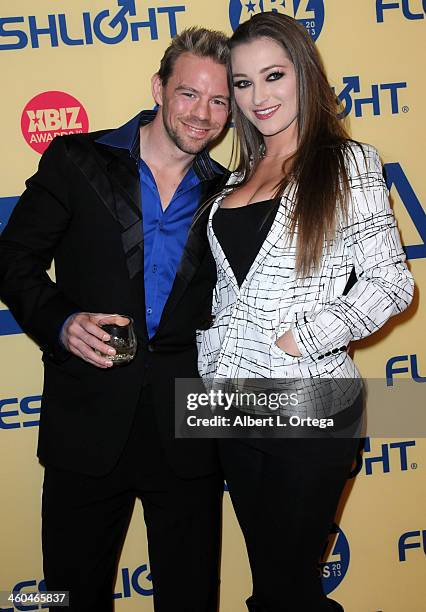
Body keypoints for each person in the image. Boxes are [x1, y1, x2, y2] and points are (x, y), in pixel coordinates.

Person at [0, 28, 231, 612]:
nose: (202, 114)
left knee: (191, 597)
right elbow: (13, 259)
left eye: (219, 100)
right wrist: (61, 320)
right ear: (158, 88)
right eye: (188, 94)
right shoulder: (78, 161)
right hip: (86, 423)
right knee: (67, 596)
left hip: (187, 428)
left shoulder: (228, 195)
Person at [197, 12, 414, 612]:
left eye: (273, 76)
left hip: (313, 397)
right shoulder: (230, 181)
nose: (258, 97)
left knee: (289, 586)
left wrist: (307, 336)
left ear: (304, 74)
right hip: (231, 400)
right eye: (242, 83)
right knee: (270, 582)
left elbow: (391, 284)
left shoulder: (346, 163)